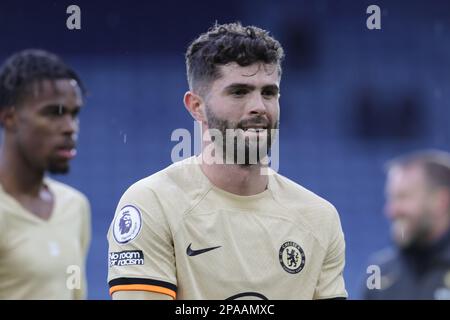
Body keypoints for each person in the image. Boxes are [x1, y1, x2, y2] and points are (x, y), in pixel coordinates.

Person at [107, 22, 347, 300]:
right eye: (239, 92)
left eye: (269, 92)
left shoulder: (319, 218)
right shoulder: (153, 204)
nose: (259, 106)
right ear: (197, 107)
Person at [0, 49, 91, 299]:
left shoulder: (75, 206)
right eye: (54, 113)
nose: (70, 128)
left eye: (75, 114)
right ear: (10, 118)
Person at [364, 150, 450, 300]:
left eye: (403, 197)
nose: (391, 211)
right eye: (391, 198)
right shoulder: (379, 271)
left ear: (441, 201)